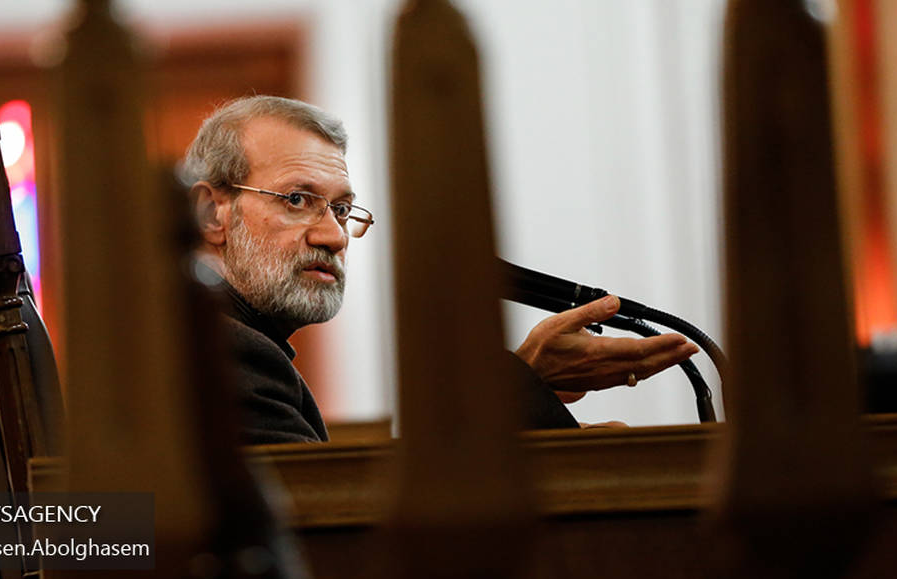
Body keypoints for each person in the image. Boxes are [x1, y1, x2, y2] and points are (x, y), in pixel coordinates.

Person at [183, 96, 698, 444]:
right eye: (297, 199)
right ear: (211, 213)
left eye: (341, 209)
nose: (334, 236)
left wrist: (523, 380)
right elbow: (333, 542)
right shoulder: (227, 351)